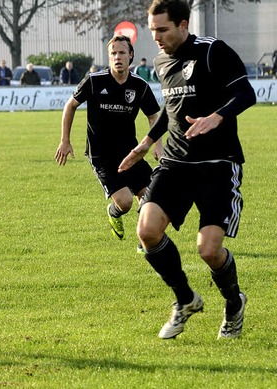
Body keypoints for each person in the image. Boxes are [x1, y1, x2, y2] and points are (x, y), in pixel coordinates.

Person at [118, 0, 256, 340]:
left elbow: (246, 93)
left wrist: (217, 116)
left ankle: (234, 302)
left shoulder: (213, 52)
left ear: (183, 24)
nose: (157, 38)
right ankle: (185, 299)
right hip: (176, 164)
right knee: (147, 232)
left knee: (208, 250)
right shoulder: (163, 61)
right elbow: (172, 107)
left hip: (217, 165)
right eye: (152, 31)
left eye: (162, 30)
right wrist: (147, 142)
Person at [55, 35, 161, 248]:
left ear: (131, 55)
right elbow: (70, 106)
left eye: (122, 53)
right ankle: (114, 213)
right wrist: (65, 140)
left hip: (130, 152)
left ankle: (145, 240)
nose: (117, 57)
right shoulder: (94, 81)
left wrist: (157, 144)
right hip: (101, 154)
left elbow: (153, 115)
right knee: (125, 202)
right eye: (113, 53)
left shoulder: (139, 86)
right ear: (109, 56)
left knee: (151, 198)